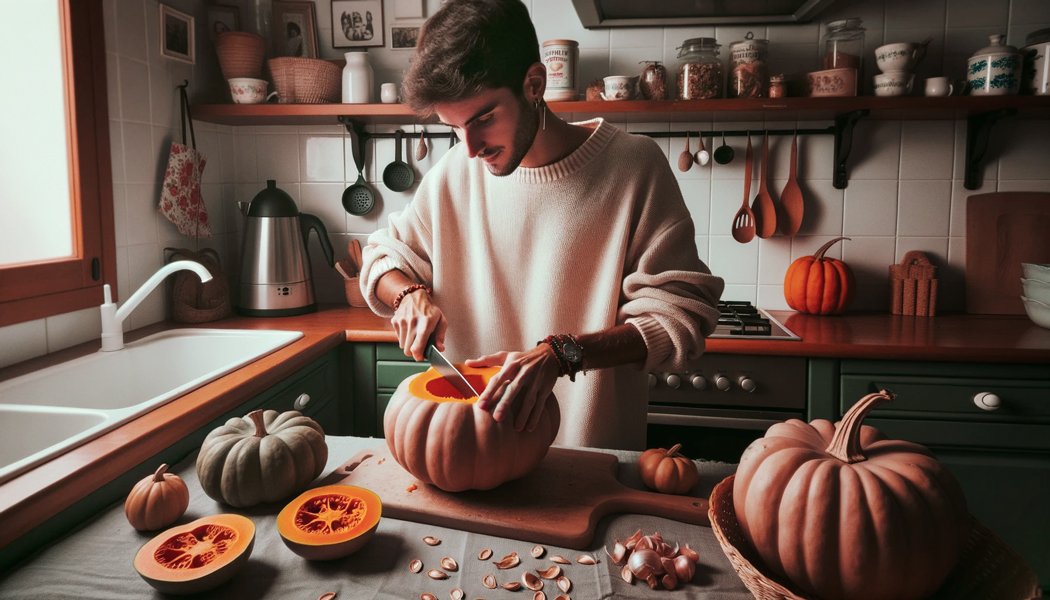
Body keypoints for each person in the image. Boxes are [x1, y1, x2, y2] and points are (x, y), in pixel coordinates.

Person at [359, 0, 723, 450]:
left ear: (534, 84)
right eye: (453, 128)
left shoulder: (634, 166)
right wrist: (407, 295)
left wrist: (562, 354)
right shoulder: (453, 172)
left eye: (484, 120)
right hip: (474, 454)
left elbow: (681, 313)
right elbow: (381, 256)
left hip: (591, 460)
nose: (470, 148)